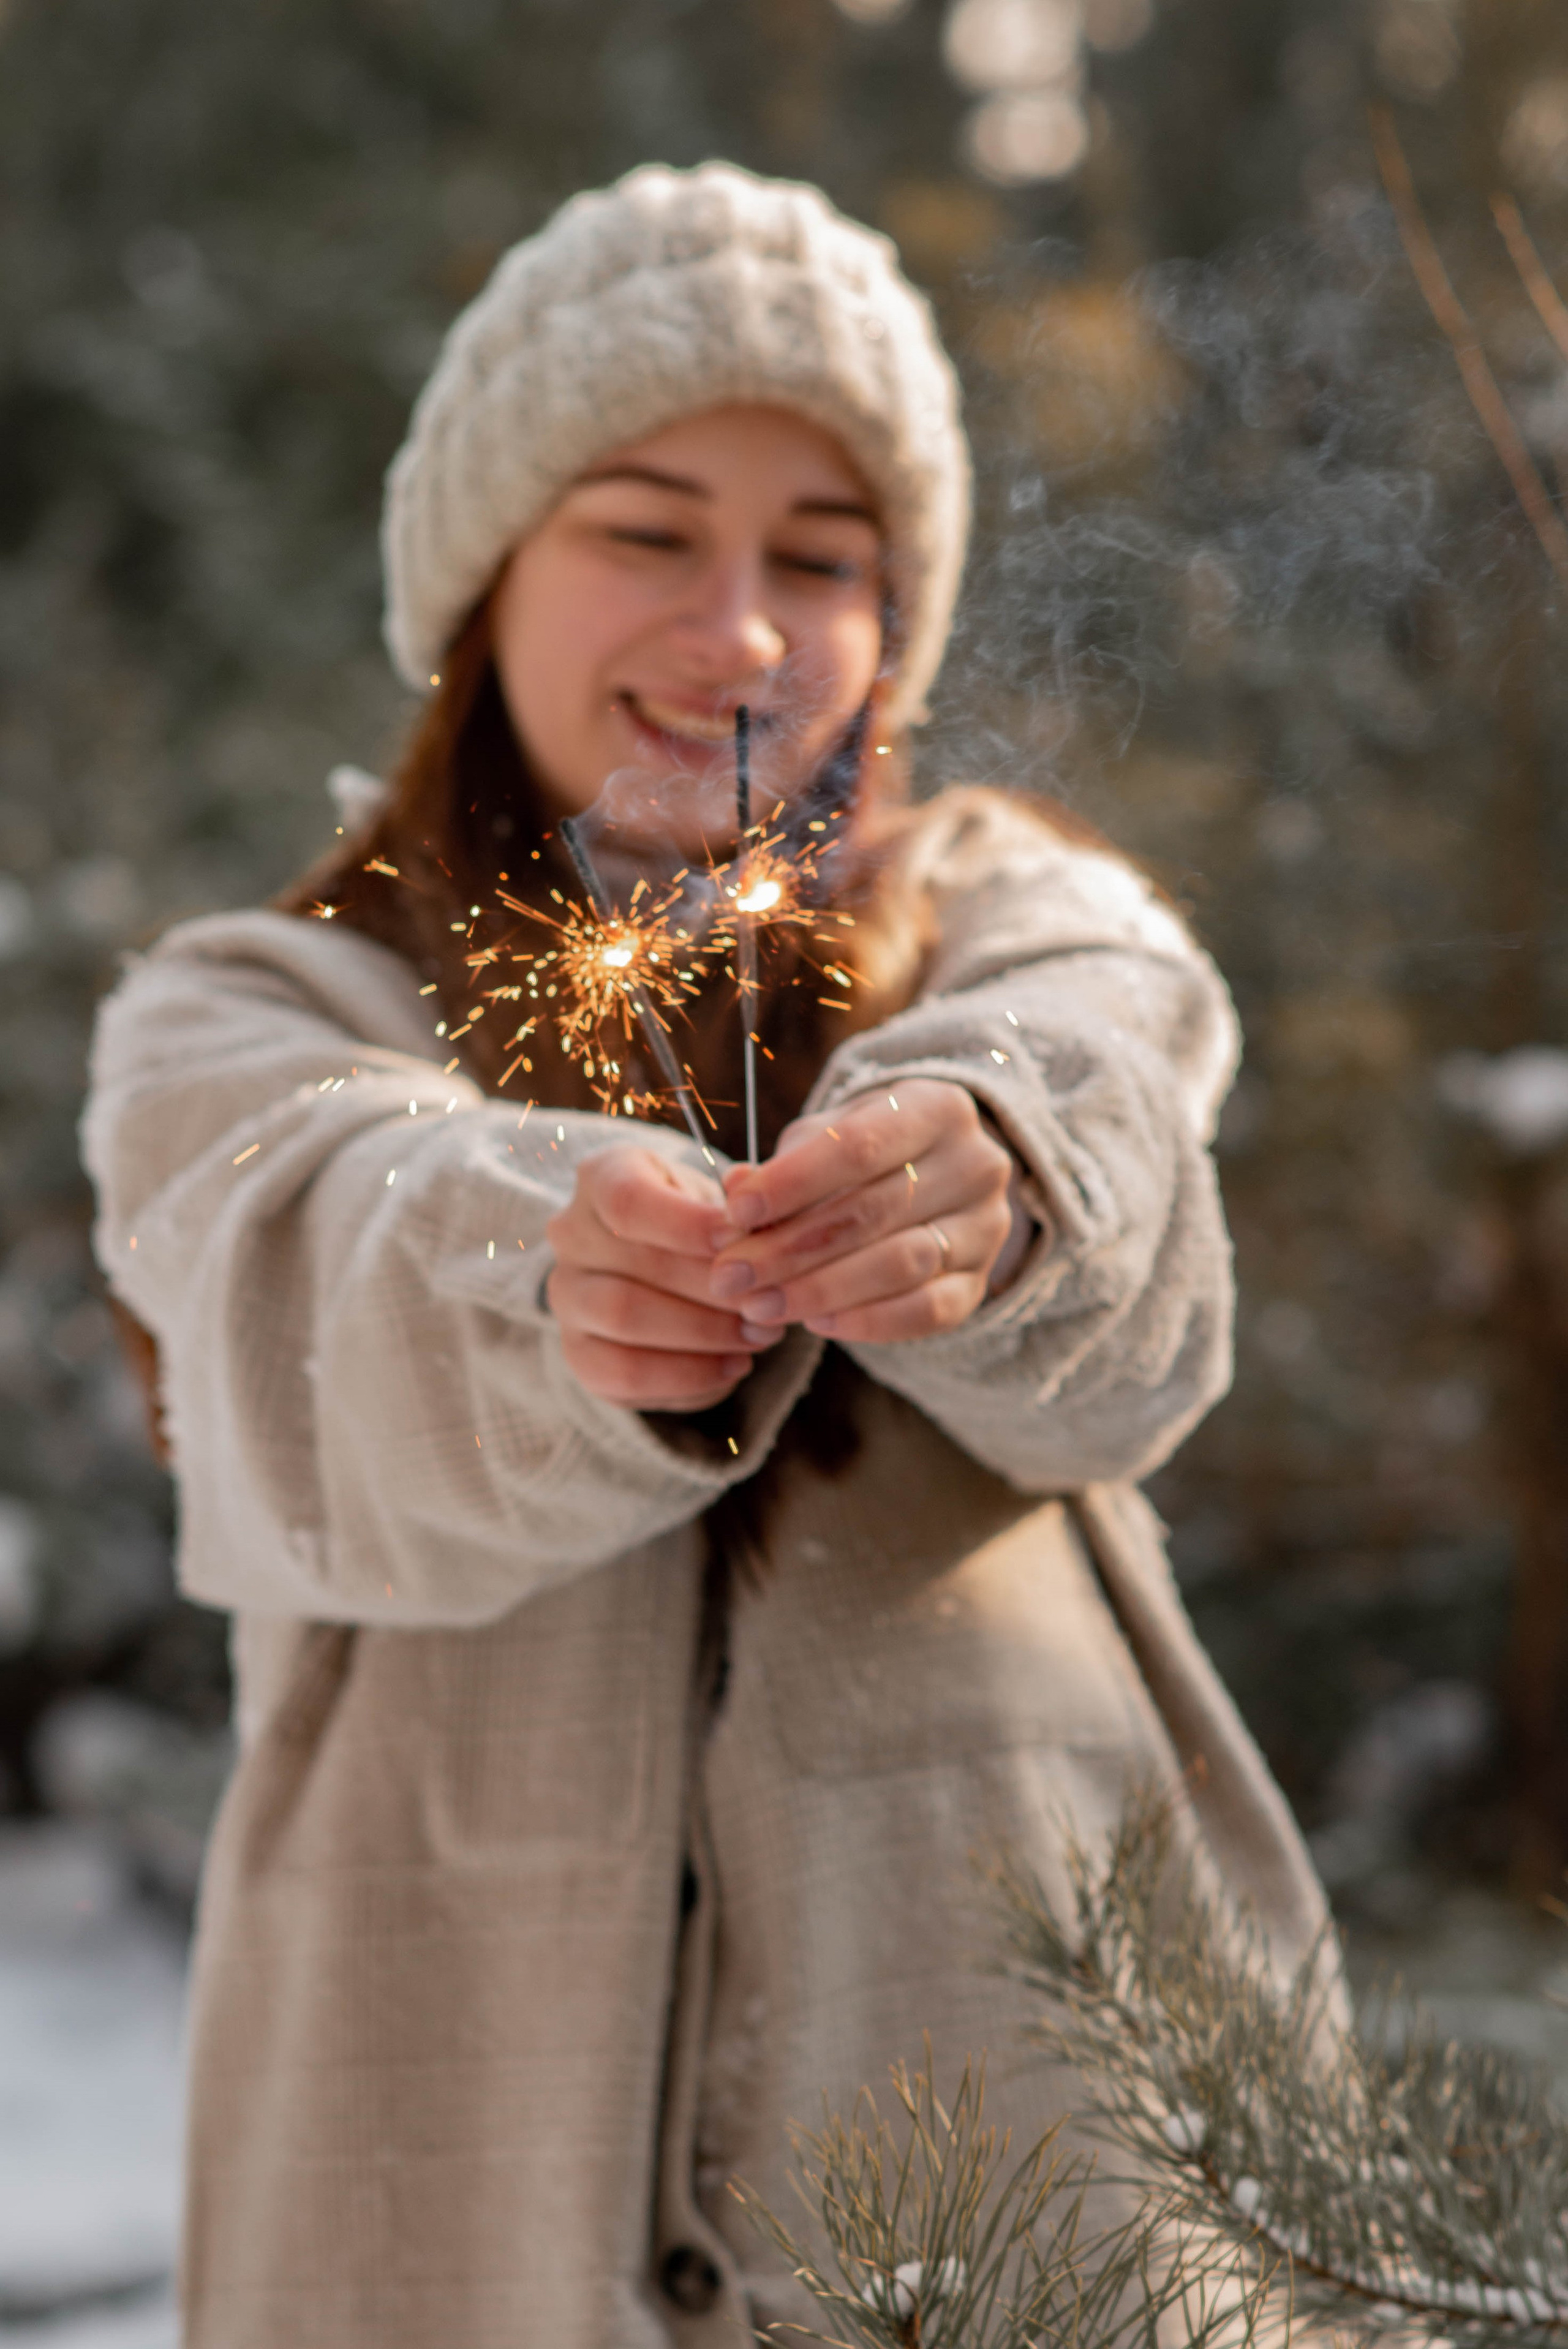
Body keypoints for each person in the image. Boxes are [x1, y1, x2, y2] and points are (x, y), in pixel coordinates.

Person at [83, 162, 1333, 2348]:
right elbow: (303, 1231)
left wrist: (995, 1163)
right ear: (486, 577)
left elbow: (1105, 1072)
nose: (742, 631)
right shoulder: (253, 1005)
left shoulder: (1019, 918)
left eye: (822, 558)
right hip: (433, 2205)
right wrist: (537, 1264)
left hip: (1056, 2193)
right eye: (648, 531)